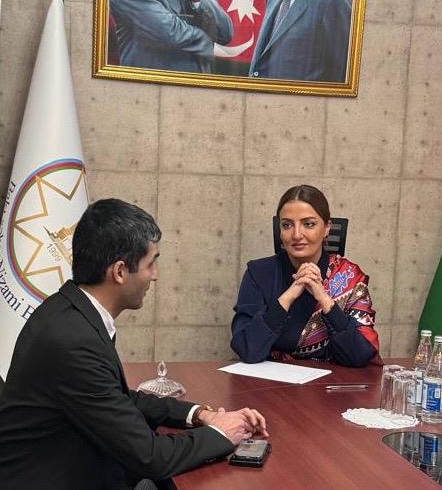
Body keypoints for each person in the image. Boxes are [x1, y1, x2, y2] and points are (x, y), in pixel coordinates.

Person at [0, 199, 267, 490]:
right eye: (151, 263)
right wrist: (221, 433)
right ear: (119, 271)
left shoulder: (71, 311)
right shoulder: (73, 340)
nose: (155, 275)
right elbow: (150, 457)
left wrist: (200, 414)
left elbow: (115, 398)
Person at [231, 185, 380, 367]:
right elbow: (246, 349)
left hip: (333, 381)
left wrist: (324, 299)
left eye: (308, 224)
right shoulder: (258, 273)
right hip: (272, 380)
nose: (296, 235)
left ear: (327, 228)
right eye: (287, 225)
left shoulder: (349, 277)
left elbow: (361, 356)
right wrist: (288, 296)